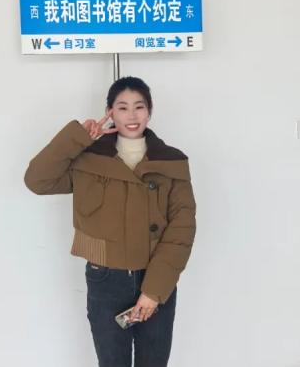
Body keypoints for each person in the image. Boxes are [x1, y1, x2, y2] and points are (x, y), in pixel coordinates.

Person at [24, 76, 197, 367]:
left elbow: (182, 229)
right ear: (110, 112)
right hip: (105, 278)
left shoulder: (172, 161)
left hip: (156, 277)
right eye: (122, 107)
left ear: (149, 112)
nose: (132, 115)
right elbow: (37, 180)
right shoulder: (89, 159)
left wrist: (153, 291)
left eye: (139, 107)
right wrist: (78, 136)